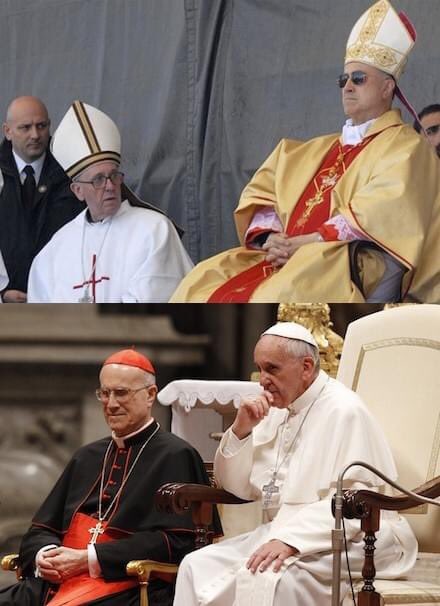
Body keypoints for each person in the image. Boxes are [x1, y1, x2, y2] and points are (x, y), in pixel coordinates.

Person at [171, 0, 440, 303]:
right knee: (197, 283)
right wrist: (274, 240)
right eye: (344, 79)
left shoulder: (406, 147)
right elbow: (266, 190)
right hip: (284, 256)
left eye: (359, 78)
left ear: (387, 88)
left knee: (280, 294)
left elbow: (386, 212)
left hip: (345, 261)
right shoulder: (311, 150)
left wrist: (309, 242)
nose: (347, 87)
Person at [173, 321, 417, 606]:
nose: (262, 379)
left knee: (268, 577)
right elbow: (238, 489)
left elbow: (355, 504)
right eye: (259, 368)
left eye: (272, 368)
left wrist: (291, 540)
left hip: (353, 537)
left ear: (306, 367)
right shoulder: (277, 409)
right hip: (284, 532)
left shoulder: (344, 411)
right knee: (195, 565)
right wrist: (241, 431)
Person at [0, 348, 219, 606]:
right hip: (56, 583)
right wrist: (45, 555)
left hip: (127, 585)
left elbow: (178, 544)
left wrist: (89, 558)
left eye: (121, 393)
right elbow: (41, 529)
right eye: (105, 393)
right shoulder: (88, 456)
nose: (111, 403)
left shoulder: (176, 455)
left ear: (150, 395)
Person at [27, 101, 193, 302]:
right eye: (98, 179)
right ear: (78, 191)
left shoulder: (154, 230)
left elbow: (154, 300)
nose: (109, 185)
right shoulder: (56, 249)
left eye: (113, 175)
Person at [0, 96, 84, 303]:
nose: (35, 135)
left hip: (60, 302)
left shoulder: (74, 171)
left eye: (41, 126)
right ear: (7, 131)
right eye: (25, 128)